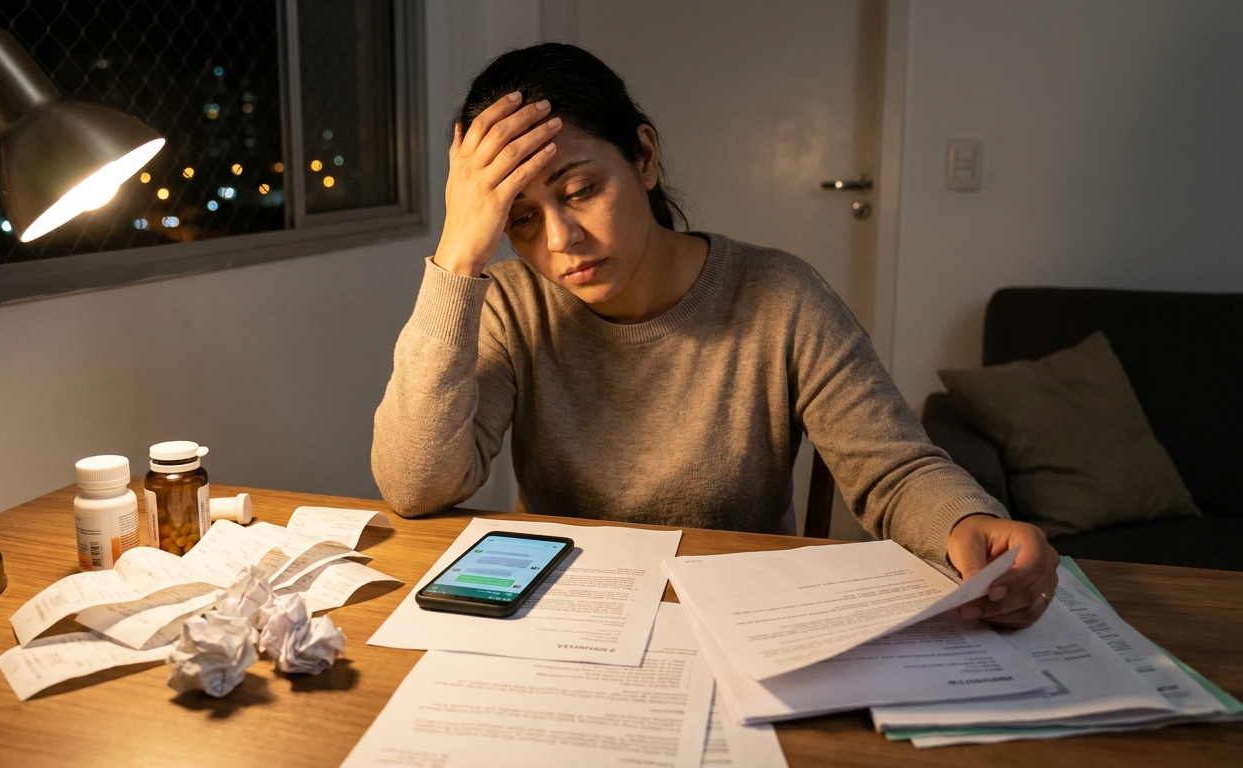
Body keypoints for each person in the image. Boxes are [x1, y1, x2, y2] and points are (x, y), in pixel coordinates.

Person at [372, 43, 1058, 628]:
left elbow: (893, 468)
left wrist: (966, 523)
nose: (560, 238)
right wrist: (457, 257)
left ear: (644, 157)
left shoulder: (781, 297)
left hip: (742, 618)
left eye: (579, 190)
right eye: (520, 219)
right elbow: (415, 484)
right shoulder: (511, 304)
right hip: (569, 616)